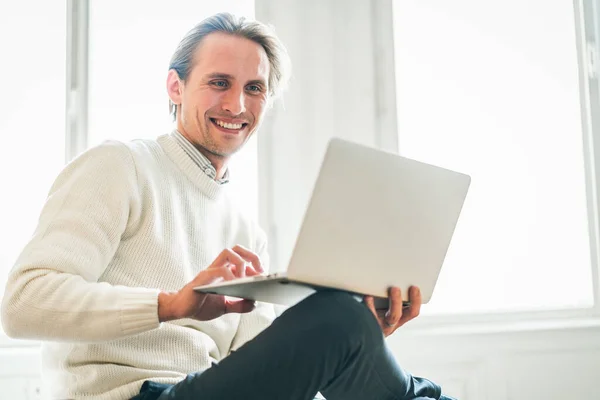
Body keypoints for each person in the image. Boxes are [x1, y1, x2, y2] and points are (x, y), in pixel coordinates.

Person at [1, 12, 456, 400]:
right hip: (135, 393)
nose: (237, 104)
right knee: (337, 316)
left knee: (343, 316)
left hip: (202, 387)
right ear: (175, 87)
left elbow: (268, 369)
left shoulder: (245, 230)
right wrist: (170, 305)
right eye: (219, 83)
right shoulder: (120, 166)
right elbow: (21, 305)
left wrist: (360, 338)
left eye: (254, 89)